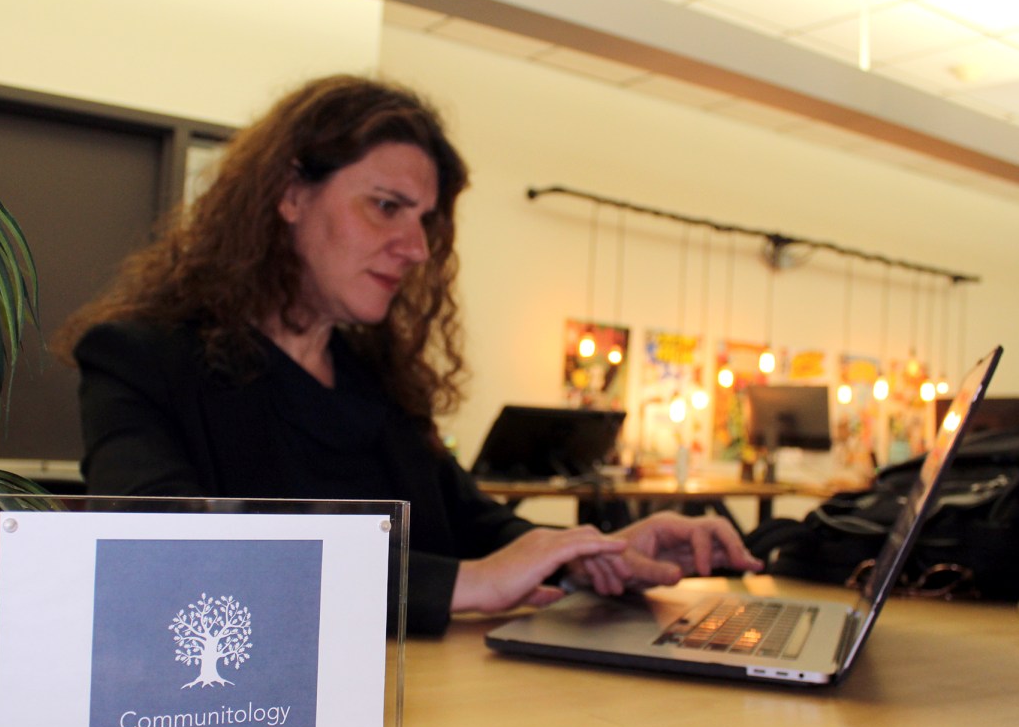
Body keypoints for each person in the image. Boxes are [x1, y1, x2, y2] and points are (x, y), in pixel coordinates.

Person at [53, 74, 761, 636]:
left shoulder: (376, 384)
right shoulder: (139, 359)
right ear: (289, 193)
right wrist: (467, 584)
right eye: (385, 206)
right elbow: (164, 548)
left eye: (423, 220)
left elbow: (476, 527)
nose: (416, 248)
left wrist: (592, 553)